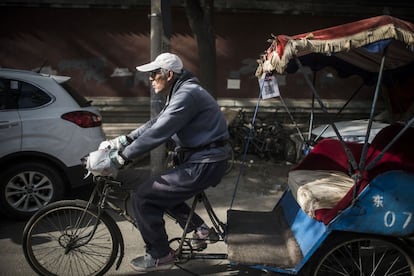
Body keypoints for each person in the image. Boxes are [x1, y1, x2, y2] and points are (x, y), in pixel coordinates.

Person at [101, 52, 230, 272]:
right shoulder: (181, 91)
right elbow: (156, 122)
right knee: (158, 191)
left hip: (205, 163)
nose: (150, 79)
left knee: (143, 196)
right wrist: (125, 139)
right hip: (201, 160)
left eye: (153, 75)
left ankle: (160, 255)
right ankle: (200, 229)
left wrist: (124, 157)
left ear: (168, 74)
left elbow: (160, 131)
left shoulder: (187, 94)